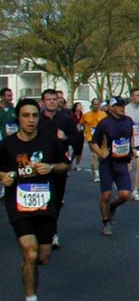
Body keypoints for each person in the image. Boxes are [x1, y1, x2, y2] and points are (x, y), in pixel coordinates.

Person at [0, 98, 70, 301]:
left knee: (43, 256)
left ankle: (29, 266)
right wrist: (4, 177)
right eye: (25, 115)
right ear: (18, 118)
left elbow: (64, 165)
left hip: (44, 203)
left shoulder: (49, 142)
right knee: (30, 252)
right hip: (18, 203)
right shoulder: (7, 145)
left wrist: (50, 167)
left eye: (34, 116)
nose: (31, 120)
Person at [37, 88, 78, 249]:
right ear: (43, 102)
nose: (52, 102)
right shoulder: (38, 120)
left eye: (54, 99)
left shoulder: (66, 120)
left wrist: (66, 137)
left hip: (59, 165)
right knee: (43, 200)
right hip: (40, 165)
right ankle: (44, 230)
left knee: (56, 200)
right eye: (48, 100)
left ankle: (52, 231)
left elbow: (77, 139)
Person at [89, 96, 134, 236]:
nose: (122, 108)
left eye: (123, 105)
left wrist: (130, 157)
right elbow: (93, 141)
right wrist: (100, 153)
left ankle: (113, 207)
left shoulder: (128, 121)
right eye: (119, 105)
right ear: (111, 108)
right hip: (108, 163)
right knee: (106, 195)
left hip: (122, 162)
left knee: (125, 195)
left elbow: (130, 138)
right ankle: (105, 222)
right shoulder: (105, 123)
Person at [124, 89, 139, 201]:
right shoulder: (125, 109)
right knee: (127, 168)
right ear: (132, 97)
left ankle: (135, 191)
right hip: (126, 141)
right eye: (137, 95)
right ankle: (124, 188)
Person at [81, 98, 107, 183]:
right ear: (92, 105)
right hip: (91, 137)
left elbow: (107, 125)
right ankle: (97, 175)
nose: (96, 106)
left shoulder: (103, 114)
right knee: (95, 154)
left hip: (101, 137)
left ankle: (94, 165)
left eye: (98, 104)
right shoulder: (86, 115)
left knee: (101, 155)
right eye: (95, 104)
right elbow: (80, 124)